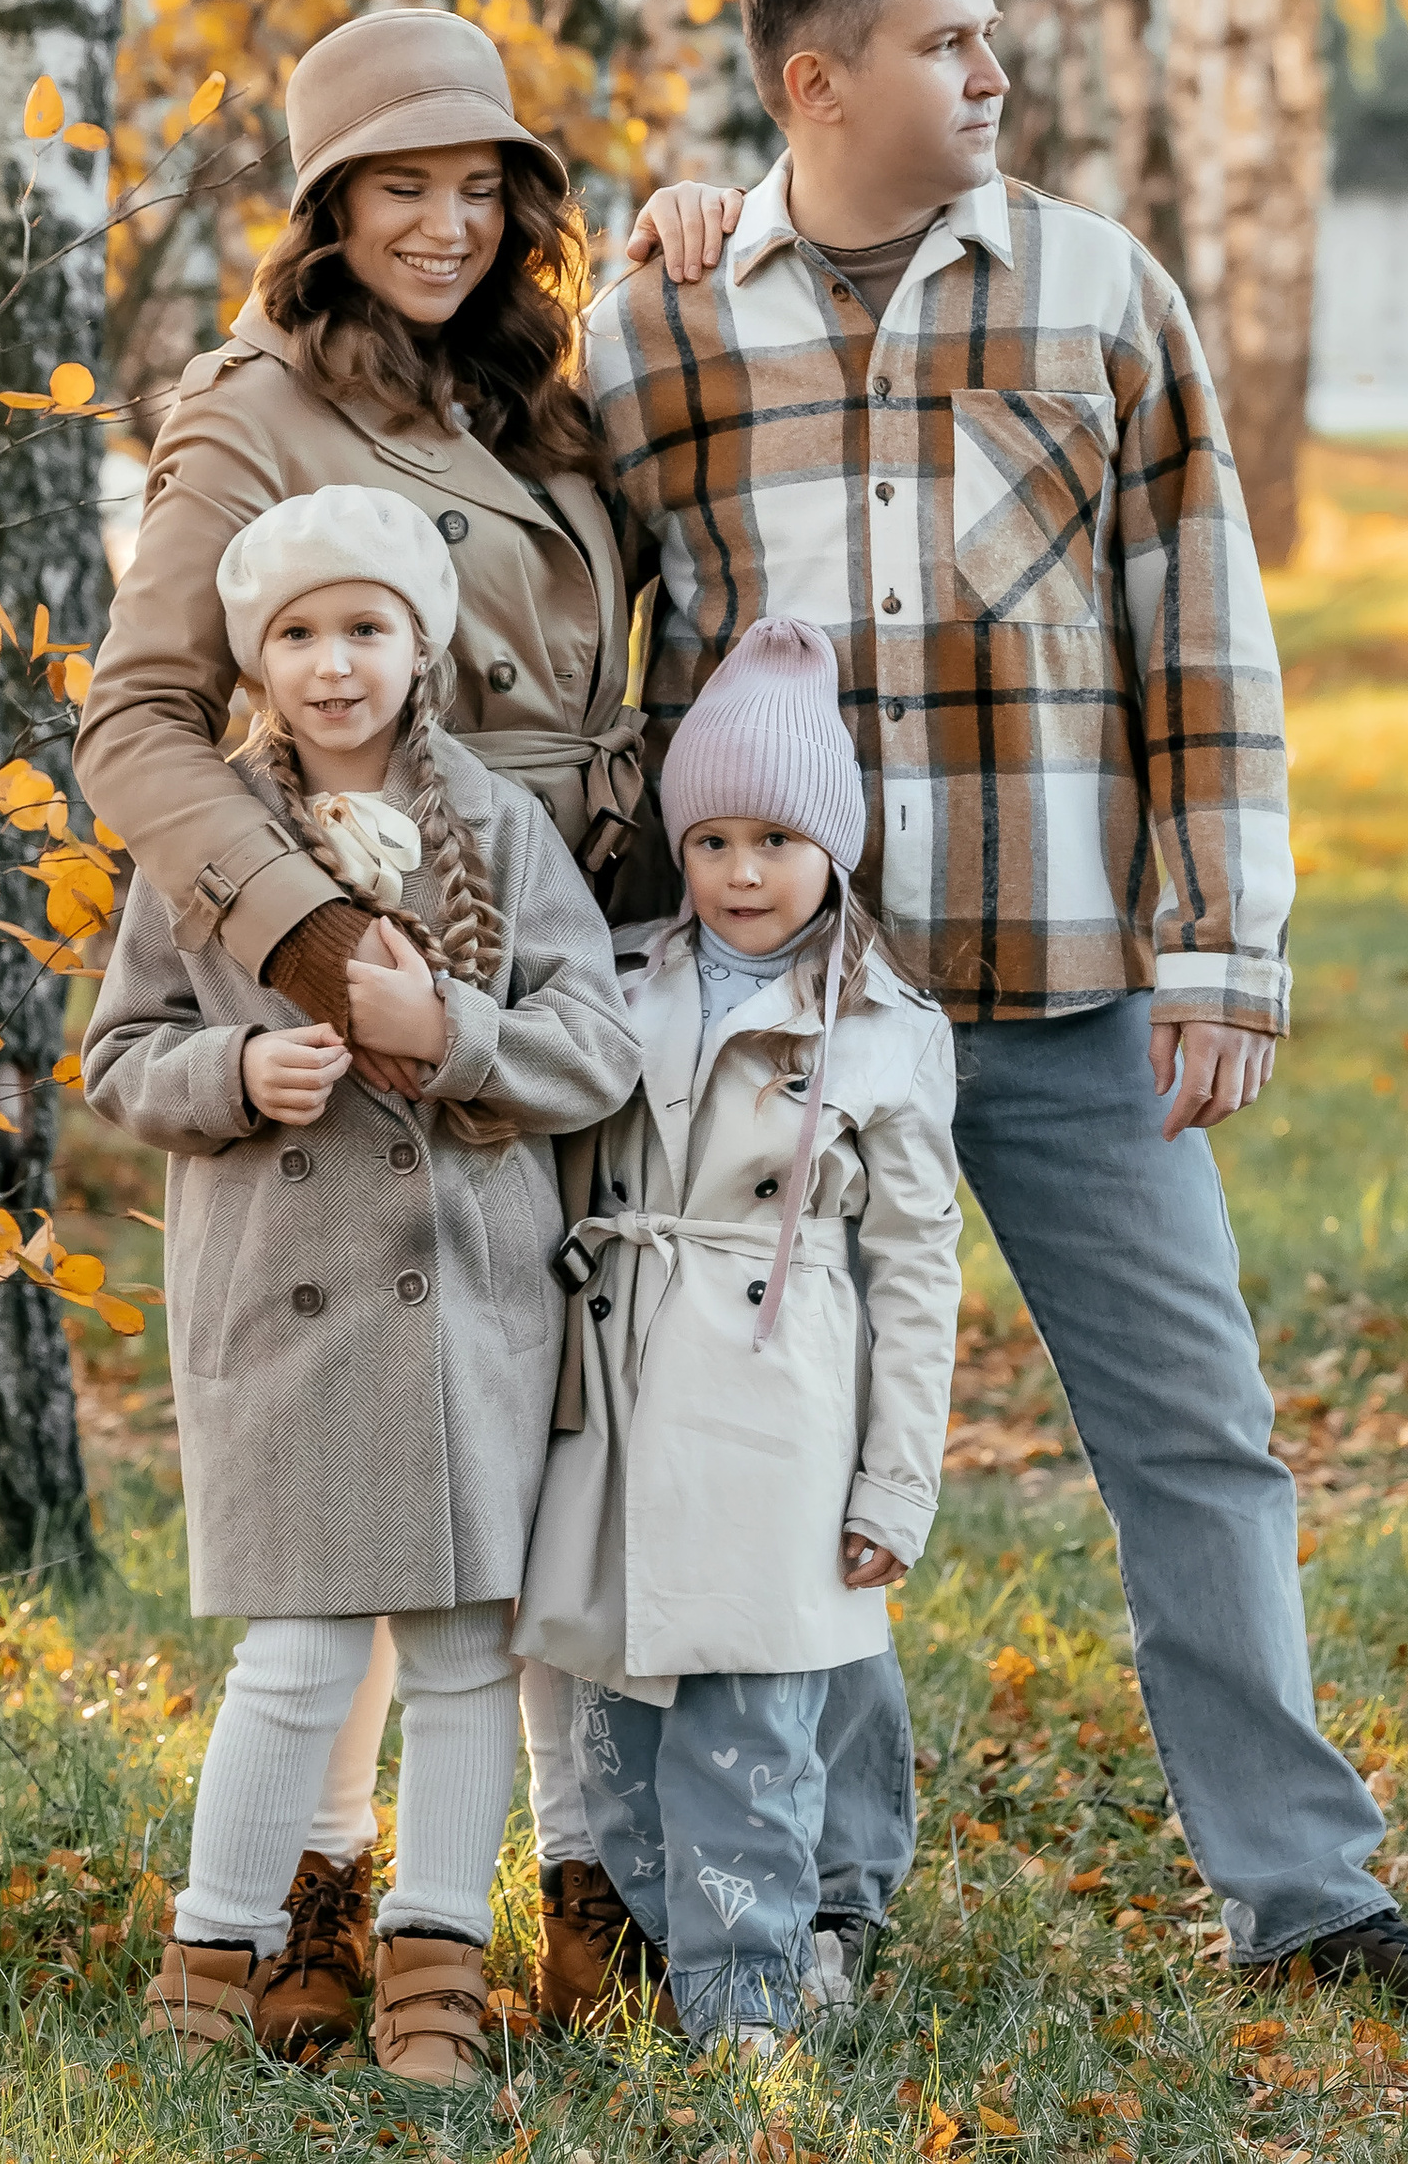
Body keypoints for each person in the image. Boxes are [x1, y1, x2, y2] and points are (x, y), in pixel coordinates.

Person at [596, 0, 1408, 2024]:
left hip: (1073, 991)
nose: (991, 72)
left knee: (1196, 1436)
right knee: (791, 1442)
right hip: (792, 1028)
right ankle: (826, 1884)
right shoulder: (653, 333)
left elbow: (1201, 636)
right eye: (942, 43)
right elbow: (604, 668)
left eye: (992, 35)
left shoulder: (1100, 294)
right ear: (810, 84)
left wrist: (1223, 951)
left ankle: (1304, 1894)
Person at [75, 6, 671, 2040]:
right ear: (326, 214)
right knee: (357, 1520)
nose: (445, 222)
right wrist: (317, 946)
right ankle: (298, 1921)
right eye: (398, 188)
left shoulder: (523, 390)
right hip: (365, 964)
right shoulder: (252, 408)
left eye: (479, 181)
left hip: (553, 949)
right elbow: (138, 723)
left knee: (517, 1502)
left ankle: (531, 1906)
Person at [516, 618, 961, 2051]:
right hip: (622, 1388)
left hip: (779, 1403)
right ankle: (671, 1959)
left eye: (777, 837)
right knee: (625, 1721)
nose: (744, 872)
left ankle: (752, 1997)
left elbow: (914, 1267)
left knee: (755, 1718)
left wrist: (894, 1481)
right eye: (711, 840)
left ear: (835, 845)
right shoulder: (619, 976)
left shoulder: (885, 1029)